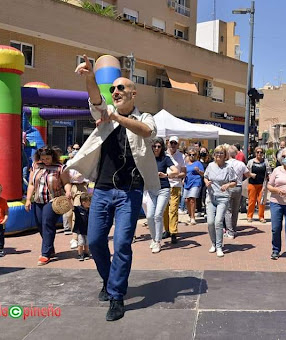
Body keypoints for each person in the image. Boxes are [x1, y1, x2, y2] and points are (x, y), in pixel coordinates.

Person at [72, 56, 160, 321]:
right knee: (96, 241)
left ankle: (117, 296)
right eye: (113, 89)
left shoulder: (143, 117)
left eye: (121, 88)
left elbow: (147, 131)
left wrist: (117, 117)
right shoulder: (104, 114)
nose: (116, 92)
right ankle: (109, 280)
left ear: (133, 93)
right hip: (101, 190)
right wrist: (90, 77)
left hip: (129, 192)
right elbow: (96, 98)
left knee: (122, 244)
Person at [25, 146, 72, 265]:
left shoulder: (60, 168)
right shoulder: (36, 166)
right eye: (43, 158)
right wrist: (28, 199)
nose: (45, 161)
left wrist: (68, 192)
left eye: (47, 158)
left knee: (47, 223)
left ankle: (45, 254)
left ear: (53, 157)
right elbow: (31, 184)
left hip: (53, 200)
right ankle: (50, 248)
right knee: (40, 225)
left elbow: (66, 182)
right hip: (38, 199)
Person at [204, 145, 237, 257]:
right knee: (210, 222)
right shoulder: (210, 166)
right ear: (214, 155)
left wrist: (227, 185)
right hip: (211, 197)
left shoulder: (228, 168)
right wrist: (206, 182)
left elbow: (234, 182)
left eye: (221, 153)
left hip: (223, 198)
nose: (218, 155)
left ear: (225, 155)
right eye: (217, 153)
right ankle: (213, 243)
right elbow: (205, 177)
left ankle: (219, 246)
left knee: (218, 221)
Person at [148, 138, 178, 253]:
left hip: (163, 189)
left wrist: (165, 175)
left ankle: (157, 241)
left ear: (162, 147)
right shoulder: (148, 159)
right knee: (150, 216)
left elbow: (175, 170)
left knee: (158, 215)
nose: (156, 149)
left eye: (159, 146)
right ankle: (153, 238)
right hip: (151, 189)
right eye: (154, 146)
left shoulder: (165, 158)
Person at [163, 136, 186, 244]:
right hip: (164, 184)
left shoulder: (181, 156)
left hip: (175, 185)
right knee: (164, 209)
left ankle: (173, 232)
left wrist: (175, 175)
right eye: (171, 143)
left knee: (173, 209)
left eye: (175, 143)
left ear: (177, 144)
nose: (173, 145)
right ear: (168, 143)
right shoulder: (163, 154)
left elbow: (184, 173)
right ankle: (167, 229)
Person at [225, 146, 250, 238]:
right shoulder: (241, 164)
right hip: (238, 187)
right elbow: (247, 174)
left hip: (228, 187)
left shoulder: (225, 164)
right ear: (236, 154)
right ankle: (233, 229)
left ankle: (230, 231)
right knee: (235, 210)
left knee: (228, 210)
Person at [247, 147, 272, 223]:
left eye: (261, 152)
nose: (259, 154)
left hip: (262, 184)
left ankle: (261, 217)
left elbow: (269, 172)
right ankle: (249, 216)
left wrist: (270, 179)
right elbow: (246, 172)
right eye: (257, 152)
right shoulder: (251, 162)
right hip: (252, 184)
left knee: (261, 201)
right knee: (252, 201)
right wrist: (251, 175)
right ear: (255, 153)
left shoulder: (265, 162)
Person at [184, 147, 204, 225]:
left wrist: (198, 171)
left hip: (196, 182)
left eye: (194, 154)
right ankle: (189, 215)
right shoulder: (186, 163)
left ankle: (193, 217)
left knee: (192, 199)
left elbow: (203, 174)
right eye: (190, 154)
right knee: (186, 200)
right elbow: (184, 172)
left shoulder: (198, 163)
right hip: (187, 182)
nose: (192, 156)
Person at [73, 193, 91, 261]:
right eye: (88, 202)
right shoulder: (78, 209)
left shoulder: (90, 210)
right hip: (80, 230)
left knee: (87, 243)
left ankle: (86, 253)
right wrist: (69, 200)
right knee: (81, 243)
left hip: (87, 230)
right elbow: (72, 207)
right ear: (83, 203)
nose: (90, 203)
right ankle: (80, 254)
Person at [196, 147, 211, 217]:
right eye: (201, 151)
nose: (203, 153)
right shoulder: (197, 161)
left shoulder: (209, 162)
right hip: (198, 180)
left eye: (204, 151)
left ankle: (205, 210)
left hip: (206, 180)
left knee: (204, 195)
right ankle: (199, 209)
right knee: (198, 196)